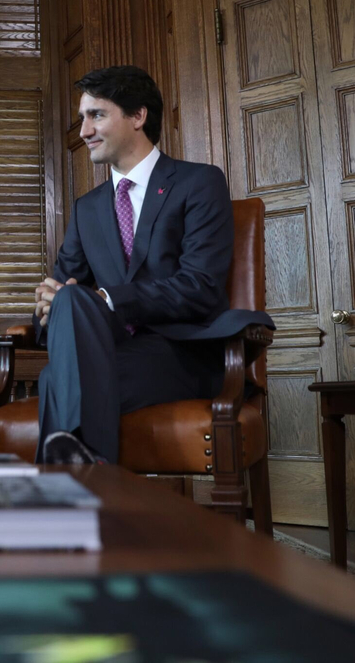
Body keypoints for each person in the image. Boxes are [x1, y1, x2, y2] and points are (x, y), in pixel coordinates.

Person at [35, 66, 272, 464]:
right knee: (70, 302)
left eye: (96, 115)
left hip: (183, 353)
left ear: (138, 116)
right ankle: (90, 491)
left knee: (55, 382)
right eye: (82, 119)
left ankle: (73, 500)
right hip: (113, 352)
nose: (84, 132)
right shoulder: (87, 209)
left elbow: (199, 286)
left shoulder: (199, 183)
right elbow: (64, 289)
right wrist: (47, 303)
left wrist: (109, 298)